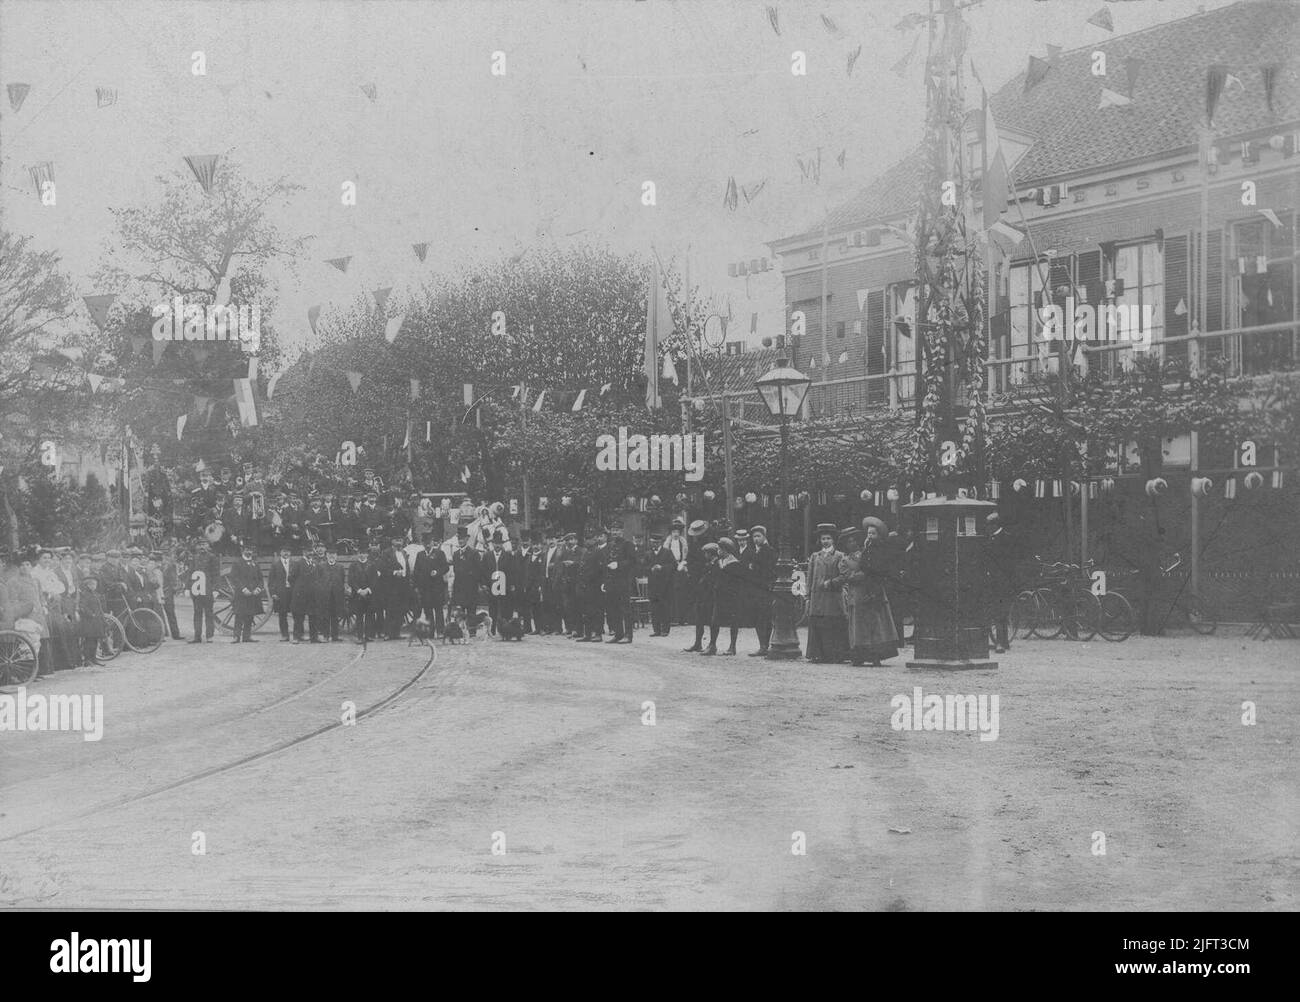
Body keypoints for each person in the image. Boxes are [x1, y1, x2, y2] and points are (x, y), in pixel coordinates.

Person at [839, 521, 901, 667]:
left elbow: (877, 566)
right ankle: (859, 655)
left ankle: (876, 654)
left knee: (874, 623)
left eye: (854, 540)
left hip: (871, 591)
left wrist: (869, 574)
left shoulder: (866, 552)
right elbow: (847, 575)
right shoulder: (844, 560)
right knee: (858, 626)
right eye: (849, 542)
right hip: (856, 595)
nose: (852, 543)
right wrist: (863, 574)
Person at [806, 523, 849, 663]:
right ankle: (818, 654)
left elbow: (844, 576)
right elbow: (810, 577)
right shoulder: (815, 556)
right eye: (823, 538)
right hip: (817, 597)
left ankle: (835, 654)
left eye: (828, 538)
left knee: (833, 625)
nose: (825, 541)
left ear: (833, 540)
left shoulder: (839, 556)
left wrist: (831, 583)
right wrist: (808, 595)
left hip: (833, 597)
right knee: (818, 624)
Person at [985, 512, 1018, 654]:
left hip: (1003, 581)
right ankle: (1003, 641)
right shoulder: (990, 538)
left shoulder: (1006, 538)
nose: (987, 528)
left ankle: (1000, 642)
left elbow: (1009, 562)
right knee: (997, 611)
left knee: (1000, 611)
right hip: (993, 580)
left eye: (988, 525)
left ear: (994, 525)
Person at [707, 537, 747, 655]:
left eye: (719, 549)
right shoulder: (719, 562)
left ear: (725, 550)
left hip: (731, 597)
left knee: (733, 621)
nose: (718, 551)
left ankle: (732, 646)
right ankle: (712, 645)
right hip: (719, 596)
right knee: (714, 621)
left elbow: (738, 582)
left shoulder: (735, 564)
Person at [745, 525, 777, 656]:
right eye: (754, 537)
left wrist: (754, 567)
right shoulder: (753, 551)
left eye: (758, 536)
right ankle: (762, 645)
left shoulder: (769, 551)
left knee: (765, 617)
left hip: (765, 588)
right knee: (758, 617)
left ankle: (765, 645)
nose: (756, 539)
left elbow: (770, 569)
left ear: (764, 537)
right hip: (755, 588)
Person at [601, 524, 636, 644]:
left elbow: (632, 561)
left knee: (625, 609)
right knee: (613, 609)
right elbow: (607, 563)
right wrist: (605, 582)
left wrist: (619, 565)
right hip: (612, 582)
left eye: (618, 530)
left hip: (623, 581)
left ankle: (628, 635)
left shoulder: (628, 544)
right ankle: (618, 634)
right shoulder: (611, 545)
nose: (615, 532)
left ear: (622, 531)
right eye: (613, 530)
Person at [681, 519, 713, 652]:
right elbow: (689, 559)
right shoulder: (693, 545)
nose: (695, 536)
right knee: (699, 613)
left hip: (708, 583)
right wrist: (686, 566)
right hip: (696, 583)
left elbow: (709, 563)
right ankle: (698, 642)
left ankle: (712, 644)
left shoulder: (710, 544)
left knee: (710, 614)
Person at [413, 533, 449, 637]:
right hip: (425, 588)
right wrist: (417, 586)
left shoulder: (440, 553)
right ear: (422, 543)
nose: (427, 545)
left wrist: (437, 572)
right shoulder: (420, 555)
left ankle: (441, 631)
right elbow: (416, 571)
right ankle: (431, 632)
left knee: (438, 610)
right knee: (428, 610)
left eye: (429, 542)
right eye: (425, 543)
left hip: (437, 587)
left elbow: (445, 567)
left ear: (433, 542)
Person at [481, 529, 516, 636]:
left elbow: (512, 571)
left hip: (504, 585)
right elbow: (483, 571)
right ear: (492, 544)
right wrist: (484, 584)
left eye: (499, 543)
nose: (497, 545)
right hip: (491, 585)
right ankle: (492, 629)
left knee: (504, 607)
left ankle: (504, 629)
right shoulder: (487, 556)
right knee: (493, 608)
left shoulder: (508, 556)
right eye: (495, 543)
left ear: (502, 544)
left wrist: (511, 584)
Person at [228, 544, 265, 642]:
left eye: (251, 550)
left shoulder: (255, 564)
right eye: (247, 550)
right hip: (241, 594)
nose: (249, 552)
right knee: (239, 615)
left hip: (253, 594)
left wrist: (258, 588)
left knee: (250, 615)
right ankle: (236, 636)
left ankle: (247, 636)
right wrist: (243, 589)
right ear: (242, 551)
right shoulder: (237, 563)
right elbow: (234, 578)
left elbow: (261, 579)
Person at [450, 526, 482, 637]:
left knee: (471, 610)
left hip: (471, 587)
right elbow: (455, 571)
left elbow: (478, 571)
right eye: (459, 538)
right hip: (460, 587)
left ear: (467, 539)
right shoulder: (455, 554)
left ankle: (472, 631)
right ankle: (461, 631)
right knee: (460, 611)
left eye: (463, 538)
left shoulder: (473, 553)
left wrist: (473, 580)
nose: (460, 540)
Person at [189, 538, 221, 643]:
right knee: (197, 613)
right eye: (200, 545)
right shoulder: (194, 558)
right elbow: (190, 573)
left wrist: (215, 589)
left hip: (208, 590)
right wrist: (187, 588)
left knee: (209, 613)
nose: (202, 547)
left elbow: (216, 574)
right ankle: (197, 636)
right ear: (197, 546)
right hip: (197, 590)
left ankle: (209, 636)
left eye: (204, 544)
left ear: (208, 546)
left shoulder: (213, 558)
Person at [577, 530, 606, 642]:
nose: (587, 541)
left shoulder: (598, 552)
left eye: (589, 539)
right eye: (586, 539)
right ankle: (587, 634)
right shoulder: (585, 552)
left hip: (595, 586)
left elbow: (601, 570)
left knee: (597, 611)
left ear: (594, 540)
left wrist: (598, 582)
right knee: (586, 611)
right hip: (584, 586)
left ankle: (598, 634)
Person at [693, 541, 721, 654]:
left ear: (711, 554)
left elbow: (713, 581)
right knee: (699, 620)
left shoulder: (717, 565)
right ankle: (697, 643)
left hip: (711, 597)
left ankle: (712, 645)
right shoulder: (708, 564)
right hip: (703, 596)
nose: (705, 555)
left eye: (706, 553)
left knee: (712, 621)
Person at [349, 545, 381, 641]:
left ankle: (368, 636)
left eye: (364, 553)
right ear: (358, 554)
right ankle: (359, 636)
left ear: (367, 554)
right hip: (357, 595)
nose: (362, 555)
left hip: (369, 594)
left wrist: (367, 590)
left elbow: (375, 580)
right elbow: (351, 580)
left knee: (369, 616)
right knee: (359, 616)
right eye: (360, 553)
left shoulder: (372, 565)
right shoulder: (353, 566)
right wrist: (358, 590)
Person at [268, 545, 298, 641]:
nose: (286, 553)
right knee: (282, 614)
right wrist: (273, 593)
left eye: (288, 551)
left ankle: (297, 635)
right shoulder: (275, 565)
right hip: (281, 592)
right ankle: (285, 635)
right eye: (284, 551)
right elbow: (271, 581)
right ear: (280, 552)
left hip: (292, 592)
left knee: (297, 614)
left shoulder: (295, 564)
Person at [647, 534, 674, 637]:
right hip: (653, 585)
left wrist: (662, 567)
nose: (655, 544)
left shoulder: (667, 552)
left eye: (657, 542)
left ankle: (665, 630)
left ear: (661, 542)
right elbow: (642, 567)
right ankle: (656, 630)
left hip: (665, 585)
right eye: (653, 542)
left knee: (665, 607)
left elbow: (673, 566)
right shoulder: (648, 554)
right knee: (654, 608)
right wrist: (650, 568)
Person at [664, 518, 689, 625]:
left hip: (681, 568)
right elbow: (666, 556)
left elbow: (685, 555)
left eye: (677, 532)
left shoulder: (683, 542)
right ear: (671, 533)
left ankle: (682, 619)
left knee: (681, 594)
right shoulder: (667, 543)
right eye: (674, 532)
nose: (675, 534)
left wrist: (682, 563)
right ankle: (672, 618)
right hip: (671, 570)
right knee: (671, 594)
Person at [77, 573, 106, 665]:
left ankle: (93, 658)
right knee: (89, 640)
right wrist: (91, 614)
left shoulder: (95, 594)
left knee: (95, 640)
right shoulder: (85, 594)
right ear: (87, 585)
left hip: (96, 621)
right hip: (88, 621)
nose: (94, 586)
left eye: (95, 584)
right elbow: (83, 607)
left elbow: (99, 607)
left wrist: (102, 617)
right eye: (92, 584)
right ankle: (87, 659)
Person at [161, 548, 183, 640]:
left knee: (161, 614)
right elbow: (173, 579)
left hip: (162, 591)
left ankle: (163, 634)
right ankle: (175, 634)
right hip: (167, 592)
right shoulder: (171, 565)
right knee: (171, 614)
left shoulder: (160, 565)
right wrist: (175, 589)